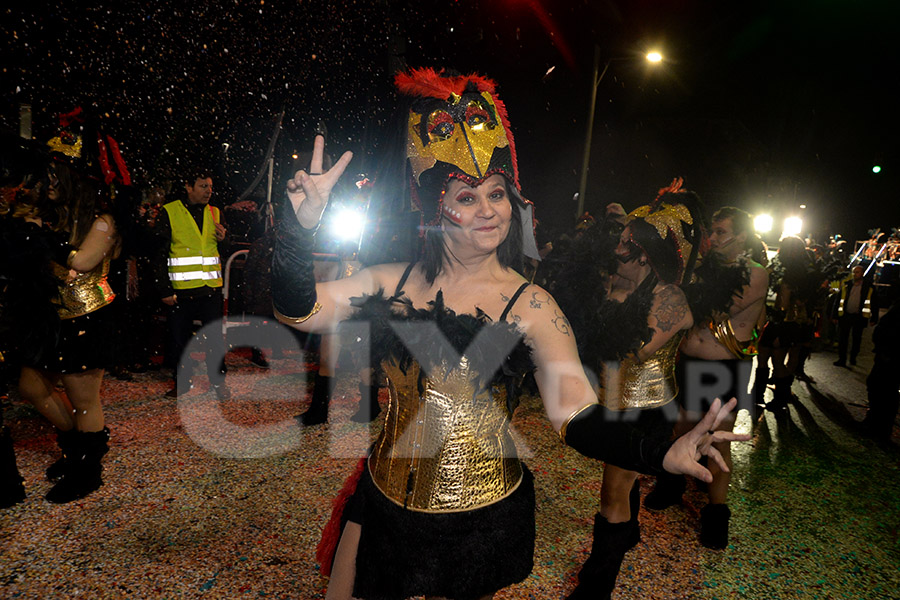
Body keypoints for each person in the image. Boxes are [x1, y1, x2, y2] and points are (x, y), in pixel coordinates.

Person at [272, 68, 746, 599]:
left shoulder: (533, 305)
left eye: (497, 194)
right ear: (436, 206)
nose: (489, 210)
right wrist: (298, 228)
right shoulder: (393, 280)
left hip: (476, 521)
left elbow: (576, 415)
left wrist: (657, 452)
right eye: (468, 197)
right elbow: (303, 311)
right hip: (381, 500)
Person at [556, 181, 704, 598]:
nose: (614, 246)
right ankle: (628, 532)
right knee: (624, 482)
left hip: (647, 409)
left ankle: (597, 583)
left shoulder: (668, 300)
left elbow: (624, 350)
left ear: (644, 254)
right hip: (613, 400)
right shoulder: (615, 285)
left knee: (612, 493)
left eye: (623, 241)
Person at [15, 115, 127, 503]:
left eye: (55, 175)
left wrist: (42, 237)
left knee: (85, 401)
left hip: (87, 318)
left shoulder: (104, 220)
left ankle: (88, 469)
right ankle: (76, 446)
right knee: (29, 385)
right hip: (49, 318)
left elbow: (80, 263)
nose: (48, 183)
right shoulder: (51, 217)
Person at [644, 206, 769, 550]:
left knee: (717, 441)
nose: (713, 239)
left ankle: (716, 515)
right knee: (679, 428)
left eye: (722, 232)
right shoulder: (704, 269)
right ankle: (672, 486)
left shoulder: (756, 273)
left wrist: (682, 285)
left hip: (721, 369)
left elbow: (715, 307)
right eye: (711, 232)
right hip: (687, 362)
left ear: (742, 235)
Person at [153, 169, 231, 399]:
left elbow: (225, 248)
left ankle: (218, 383)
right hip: (181, 291)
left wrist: (224, 239)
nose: (208, 191)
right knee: (179, 340)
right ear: (188, 187)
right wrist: (164, 289)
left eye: (210, 187)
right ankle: (182, 382)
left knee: (214, 340)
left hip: (210, 288)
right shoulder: (170, 211)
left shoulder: (215, 212)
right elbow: (159, 253)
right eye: (202, 186)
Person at [757, 236, 822, 411]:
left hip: (785, 321)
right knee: (774, 358)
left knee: (776, 359)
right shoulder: (797, 269)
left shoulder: (793, 272)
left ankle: (779, 398)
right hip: (786, 321)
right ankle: (772, 395)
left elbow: (785, 302)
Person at [861, 282, 900, 441]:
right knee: (883, 390)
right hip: (889, 354)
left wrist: (885, 351)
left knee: (882, 389)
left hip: (890, 356)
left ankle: (878, 426)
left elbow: (889, 330)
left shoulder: (897, 309)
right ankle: (880, 426)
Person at [832, 265, 878, 367]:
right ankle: (842, 359)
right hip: (846, 316)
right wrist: (835, 315)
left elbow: (875, 303)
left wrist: (874, 318)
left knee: (856, 339)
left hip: (859, 317)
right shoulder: (846, 285)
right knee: (843, 338)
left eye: (857, 272)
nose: (854, 274)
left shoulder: (868, 286)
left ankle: (853, 357)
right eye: (853, 272)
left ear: (862, 273)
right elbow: (838, 300)